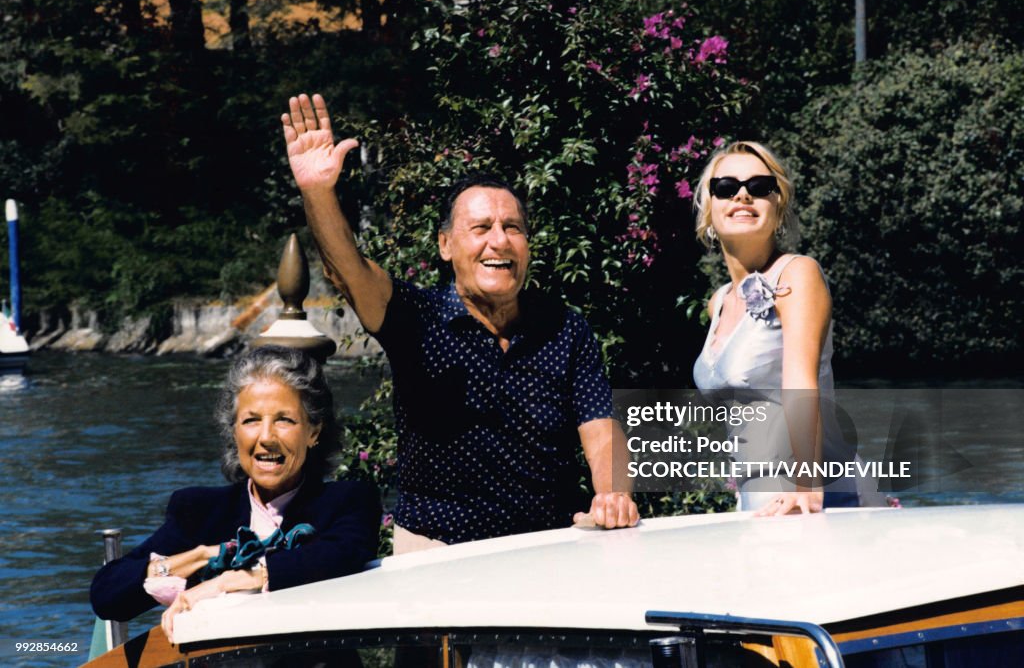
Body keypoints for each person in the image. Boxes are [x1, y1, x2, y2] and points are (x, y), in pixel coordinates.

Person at [281, 93, 638, 552]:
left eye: (513, 228)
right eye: (481, 228)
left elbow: (601, 426)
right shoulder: (415, 318)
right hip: (438, 552)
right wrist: (318, 193)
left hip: (550, 547)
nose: (499, 242)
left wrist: (613, 492)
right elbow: (349, 269)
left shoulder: (565, 328)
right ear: (446, 245)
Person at [90, 345, 381, 640]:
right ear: (234, 432)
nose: (266, 437)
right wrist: (200, 557)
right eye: (251, 420)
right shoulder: (200, 511)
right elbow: (107, 595)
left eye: (285, 420)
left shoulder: (346, 502)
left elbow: (343, 553)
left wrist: (231, 580)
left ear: (314, 432)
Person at [692, 141, 865, 514]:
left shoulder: (798, 274)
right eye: (725, 187)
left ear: (778, 205)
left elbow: (801, 382)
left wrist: (807, 486)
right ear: (709, 208)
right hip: (758, 499)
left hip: (814, 494)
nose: (742, 194)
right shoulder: (719, 301)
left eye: (759, 187)